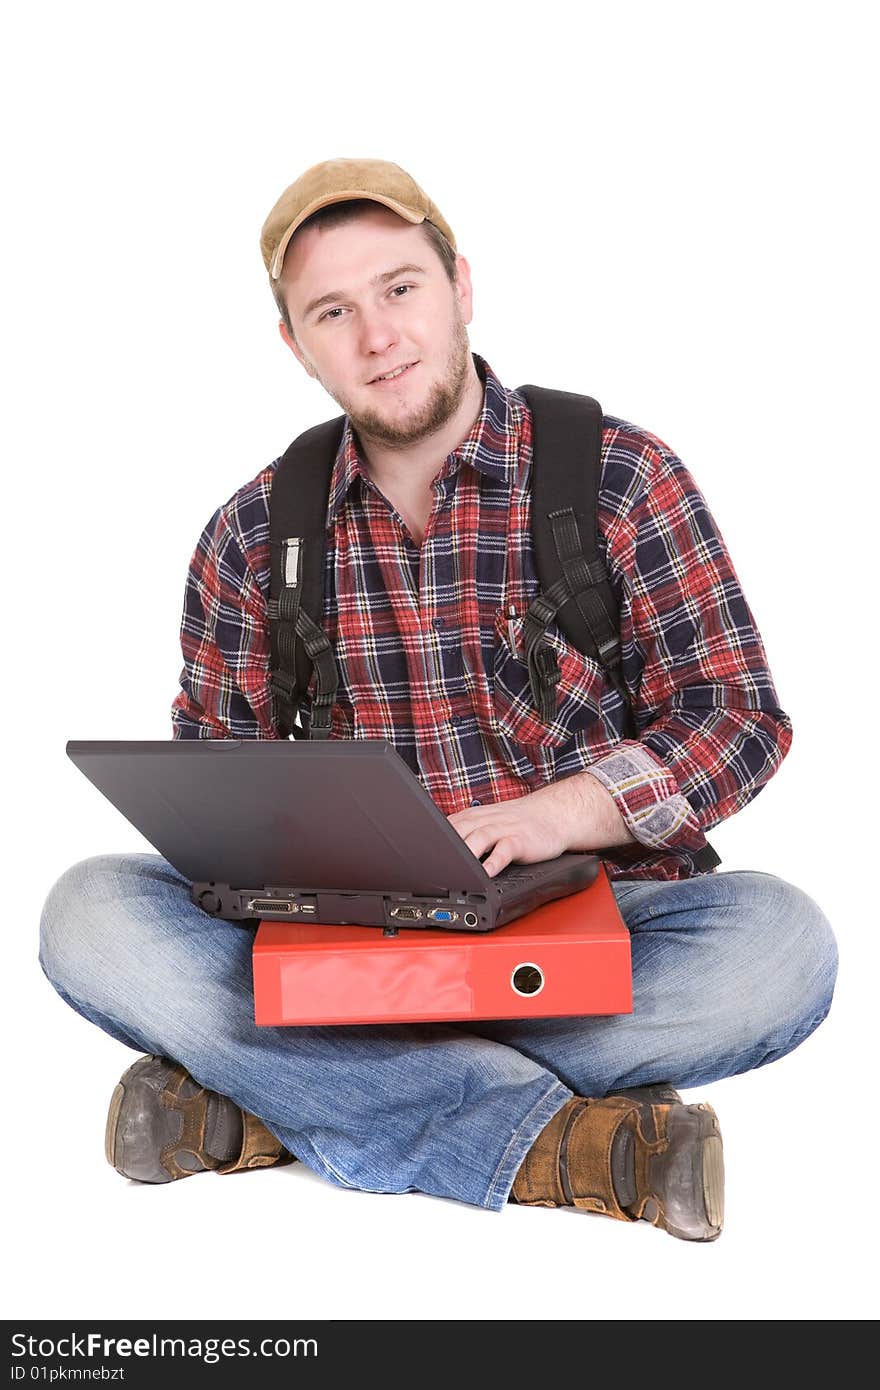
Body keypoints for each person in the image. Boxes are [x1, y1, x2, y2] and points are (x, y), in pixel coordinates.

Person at [39, 157, 838, 1242]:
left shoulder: (617, 475)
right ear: (295, 342)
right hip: (347, 948)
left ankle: (270, 1102)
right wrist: (293, 863)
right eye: (334, 310)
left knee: (782, 948)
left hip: (588, 934)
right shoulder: (249, 534)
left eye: (400, 288)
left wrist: (566, 810)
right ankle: (567, 1147)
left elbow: (738, 719)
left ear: (460, 285)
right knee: (91, 915)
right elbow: (212, 792)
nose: (378, 336)